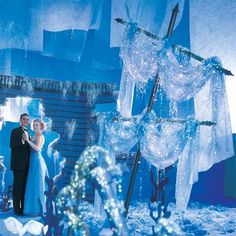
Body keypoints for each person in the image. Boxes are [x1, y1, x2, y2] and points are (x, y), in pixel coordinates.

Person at [23, 118, 48, 215]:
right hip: (33, 160)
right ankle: (33, 208)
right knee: (33, 183)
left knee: (37, 184)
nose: (34, 126)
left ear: (41, 126)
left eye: (36, 125)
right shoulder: (35, 135)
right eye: (33, 125)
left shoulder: (40, 136)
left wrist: (27, 141)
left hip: (37, 160)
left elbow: (37, 149)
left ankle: (38, 209)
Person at [10, 113, 31, 215]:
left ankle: (23, 208)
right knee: (17, 188)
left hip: (27, 165)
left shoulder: (28, 132)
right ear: (20, 120)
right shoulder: (15, 131)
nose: (25, 121)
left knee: (24, 188)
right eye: (24, 119)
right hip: (18, 165)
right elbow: (12, 145)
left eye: (27, 119)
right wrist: (22, 140)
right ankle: (16, 209)